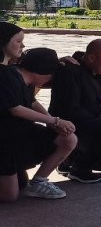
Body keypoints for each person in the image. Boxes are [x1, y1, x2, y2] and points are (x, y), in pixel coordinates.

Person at [0, 48, 77, 202]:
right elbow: (15, 109)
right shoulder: (8, 76)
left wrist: (52, 121)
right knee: (10, 196)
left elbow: (32, 102)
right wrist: (54, 121)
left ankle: (38, 181)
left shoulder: (27, 80)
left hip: (21, 134)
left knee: (68, 139)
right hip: (4, 141)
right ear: (44, 73)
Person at [49, 38, 101, 183]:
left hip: (95, 125)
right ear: (92, 58)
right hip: (72, 125)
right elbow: (69, 109)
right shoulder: (70, 71)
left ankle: (71, 159)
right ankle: (80, 168)